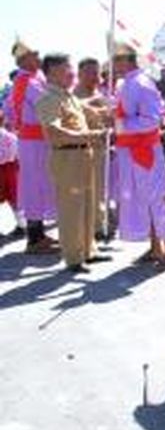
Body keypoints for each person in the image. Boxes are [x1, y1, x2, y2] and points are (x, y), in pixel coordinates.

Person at [35, 53, 111, 273]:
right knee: (71, 210)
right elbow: (54, 131)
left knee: (87, 205)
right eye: (65, 69)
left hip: (82, 156)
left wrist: (114, 112)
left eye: (70, 68)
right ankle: (73, 257)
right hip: (67, 157)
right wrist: (89, 136)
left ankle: (88, 251)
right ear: (50, 72)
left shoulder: (68, 97)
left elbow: (95, 111)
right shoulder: (48, 99)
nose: (71, 73)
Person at [113, 43, 165, 268]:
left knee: (156, 198)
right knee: (142, 199)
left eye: (116, 59)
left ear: (126, 60)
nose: (112, 64)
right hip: (128, 151)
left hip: (145, 151)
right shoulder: (123, 84)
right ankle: (155, 247)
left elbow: (152, 120)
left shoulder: (142, 83)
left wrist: (119, 123)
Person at [8, 40, 58, 254]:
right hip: (36, 141)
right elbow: (49, 106)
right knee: (37, 186)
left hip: (30, 140)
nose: (39, 59)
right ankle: (35, 239)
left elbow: (10, 114)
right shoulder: (29, 81)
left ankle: (37, 234)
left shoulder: (22, 81)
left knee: (33, 186)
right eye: (35, 55)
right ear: (23, 60)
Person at [73, 57, 112, 240]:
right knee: (86, 193)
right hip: (81, 151)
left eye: (96, 72)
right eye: (89, 72)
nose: (94, 76)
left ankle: (98, 226)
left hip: (100, 149)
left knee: (99, 190)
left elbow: (108, 120)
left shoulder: (100, 93)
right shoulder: (74, 96)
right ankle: (88, 231)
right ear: (79, 74)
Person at [0, 110, 21, 235]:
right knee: (14, 198)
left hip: (7, 168)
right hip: (11, 168)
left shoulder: (9, 136)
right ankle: (22, 224)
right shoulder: (10, 136)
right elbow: (17, 152)